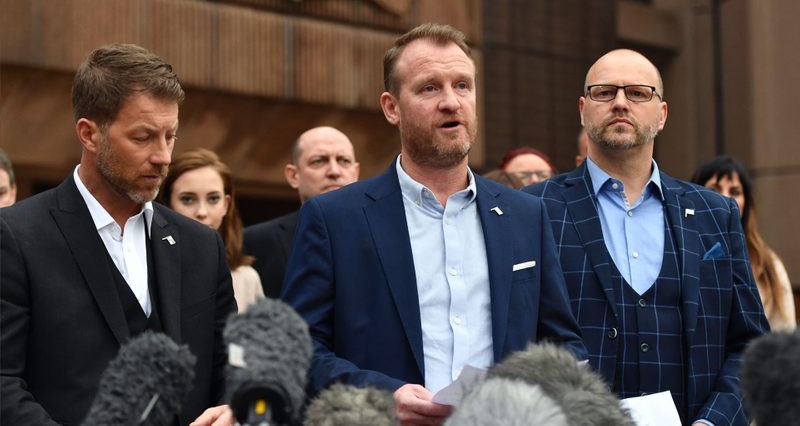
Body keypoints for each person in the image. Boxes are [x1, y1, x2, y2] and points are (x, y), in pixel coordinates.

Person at [281, 23, 586, 426]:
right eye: (429, 88)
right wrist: (381, 396)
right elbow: (298, 350)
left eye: (462, 85)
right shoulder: (334, 218)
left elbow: (563, 345)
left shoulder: (525, 215)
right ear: (391, 107)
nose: (451, 102)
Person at [523, 49, 769, 426]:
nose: (620, 103)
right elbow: (516, 340)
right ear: (583, 109)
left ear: (662, 114)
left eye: (638, 93)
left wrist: (713, 422)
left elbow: (752, 347)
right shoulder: (534, 209)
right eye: (605, 92)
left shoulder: (715, 214)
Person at [0, 44, 237, 426]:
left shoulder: (201, 245)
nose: (163, 156)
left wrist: (234, 406)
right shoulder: (15, 236)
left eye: (170, 136)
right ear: (89, 134)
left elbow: (234, 360)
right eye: (143, 137)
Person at [243, 126, 359, 297]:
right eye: (319, 161)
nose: (334, 171)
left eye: (343, 160)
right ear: (293, 175)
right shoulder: (255, 241)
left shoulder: (386, 233)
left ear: (356, 172)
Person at [691, 156, 795, 331]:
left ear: (746, 203)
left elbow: (784, 335)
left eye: (735, 192)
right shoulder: (678, 250)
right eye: (714, 190)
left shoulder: (768, 264)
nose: (725, 198)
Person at [159, 148, 265, 313]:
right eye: (187, 199)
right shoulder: (149, 270)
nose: (202, 212)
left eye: (213, 199)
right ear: (166, 205)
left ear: (226, 205)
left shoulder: (246, 279)